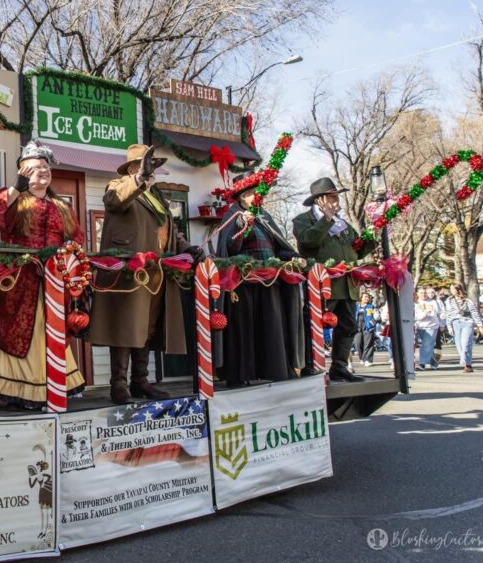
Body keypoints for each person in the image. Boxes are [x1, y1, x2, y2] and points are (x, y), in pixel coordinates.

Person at [88, 144, 203, 403]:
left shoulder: (157, 197)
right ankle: (118, 385)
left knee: (148, 327)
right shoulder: (118, 185)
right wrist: (139, 179)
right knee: (125, 326)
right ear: (133, 169)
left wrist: (187, 247)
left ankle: (140, 380)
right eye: (147, 166)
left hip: (156, 271)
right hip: (131, 272)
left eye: (153, 167)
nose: (152, 171)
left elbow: (169, 231)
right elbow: (114, 200)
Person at [0, 141, 86, 408]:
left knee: (51, 330)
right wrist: (16, 188)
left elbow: (77, 238)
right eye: (36, 168)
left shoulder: (61, 206)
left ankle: (53, 385)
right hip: (17, 281)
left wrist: (71, 263)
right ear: (23, 172)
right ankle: (21, 390)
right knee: (21, 331)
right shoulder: (14, 199)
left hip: (54, 281)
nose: (43, 171)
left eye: (46, 167)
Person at [215, 173, 303, 385]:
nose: (258, 196)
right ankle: (241, 375)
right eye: (253, 193)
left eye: (258, 193)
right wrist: (241, 225)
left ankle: (274, 370)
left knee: (271, 327)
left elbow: (278, 246)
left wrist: (293, 257)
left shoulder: (265, 216)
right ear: (242, 196)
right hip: (243, 282)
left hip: (270, 281)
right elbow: (230, 247)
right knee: (244, 330)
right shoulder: (233, 215)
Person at [292, 177, 375, 383]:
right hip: (322, 285)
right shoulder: (303, 220)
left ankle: (340, 367)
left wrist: (371, 236)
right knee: (314, 325)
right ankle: (310, 366)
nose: (336, 201)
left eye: (337, 197)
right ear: (319, 200)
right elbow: (308, 242)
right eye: (331, 197)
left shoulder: (343, 224)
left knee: (348, 327)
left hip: (347, 284)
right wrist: (326, 220)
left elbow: (357, 250)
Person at [444, 283, 483, 373]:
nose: (452, 291)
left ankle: (467, 364)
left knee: (466, 343)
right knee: (459, 345)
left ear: (459, 289)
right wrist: (449, 326)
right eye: (451, 289)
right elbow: (448, 314)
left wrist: (480, 325)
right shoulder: (449, 300)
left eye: (453, 289)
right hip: (456, 322)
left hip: (467, 322)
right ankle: (466, 362)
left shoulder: (467, 300)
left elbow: (474, 312)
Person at [415, 287, 442, 370]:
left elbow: (438, 313)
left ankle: (422, 364)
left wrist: (442, 324)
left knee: (426, 344)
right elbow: (415, 316)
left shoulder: (433, 302)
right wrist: (424, 314)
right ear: (417, 294)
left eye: (425, 293)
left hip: (432, 326)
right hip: (420, 327)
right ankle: (434, 362)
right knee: (428, 345)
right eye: (421, 293)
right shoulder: (416, 303)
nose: (423, 294)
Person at [353, 293, 378, 366]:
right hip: (357, 326)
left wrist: (374, 321)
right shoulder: (356, 306)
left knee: (368, 343)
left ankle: (368, 360)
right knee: (357, 343)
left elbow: (376, 315)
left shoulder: (371, 306)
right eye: (365, 297)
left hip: (368, 326)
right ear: (361, 298)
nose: (367, 298)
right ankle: (362, 358)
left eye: (368, 297)